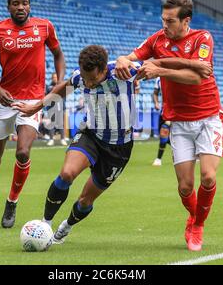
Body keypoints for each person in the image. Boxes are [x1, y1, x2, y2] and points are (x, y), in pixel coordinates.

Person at [115, 0, 223, 252]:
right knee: (185, 186)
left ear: (186, 21)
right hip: (179, 122)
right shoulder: (157, 39)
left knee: (207, 177)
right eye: (163, 19)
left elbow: (197, 76)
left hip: (209, 117)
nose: (165, 25)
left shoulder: (202, 37)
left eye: (171, 21)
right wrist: (122, 59)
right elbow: (131, 57)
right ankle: (193, 218)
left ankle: (198, 225)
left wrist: (159, 66)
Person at [11, 45, 141, 243]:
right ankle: (45, 224)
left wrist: (130, 59)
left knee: (85, 201)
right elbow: (62, 89)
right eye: (85, 78)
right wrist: (36, 106)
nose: (87, 83)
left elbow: (155, 65)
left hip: (119, 148)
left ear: (105, 69)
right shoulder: (80, 77)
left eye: (93, 79)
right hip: (90, 135)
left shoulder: (125, 71)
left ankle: (67, 225)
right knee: (66, 174)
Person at [0, 0, 65, 228]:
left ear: (30, 5)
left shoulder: (45, 27)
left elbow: (58, 54)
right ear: (9, 6)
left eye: (24, 3)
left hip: (32, 100)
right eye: (16, 3)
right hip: (5, 100)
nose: (21, 7)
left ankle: (12, 203)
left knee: (23, 152)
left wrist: (59, 80)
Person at [152, 77, 171, 166]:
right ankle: (189, 152)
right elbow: (155, 93)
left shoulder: (175, 76)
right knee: (164, 136)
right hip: (163, 111)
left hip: (173, 111)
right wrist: (156, 102)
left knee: (164, 132)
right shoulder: (159, 79)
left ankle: (158, 159)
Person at [45, 73, 67, 146]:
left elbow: (64, 96)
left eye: (56, 77)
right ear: (52, 78)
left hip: (60, 107)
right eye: (54, 77)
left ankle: (62, 139)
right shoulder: (49, 87)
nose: (55, 78)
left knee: (61, 124)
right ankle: (51, 139)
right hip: (51, 108)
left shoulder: (62, 86)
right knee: (51, 124)